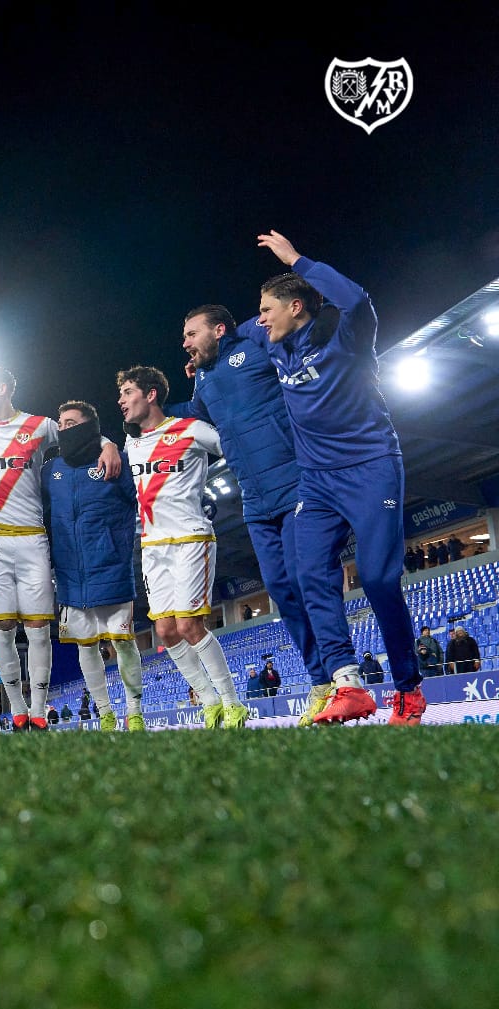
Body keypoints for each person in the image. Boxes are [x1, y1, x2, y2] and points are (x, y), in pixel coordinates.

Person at [255, 231, 425, 725]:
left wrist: (299, 261)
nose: (261, 318)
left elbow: (358, 300)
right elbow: (227, 337)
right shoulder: (273, 346)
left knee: (376, 578)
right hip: (316, 481)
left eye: (267, 308)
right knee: (306, 573)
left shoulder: (346, 338)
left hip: (371, 469)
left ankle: (408, 690)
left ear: (297, 307)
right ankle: (348, 684)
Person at [170, 303, 331, 725]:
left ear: (219, 329)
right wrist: (161, 416)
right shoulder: (203, 377)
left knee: (303, 578)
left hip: (296, 481)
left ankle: (341, 675)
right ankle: (322, 683)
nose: (184, 343)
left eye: (191, 333)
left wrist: (243, 331)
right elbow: (201, 414)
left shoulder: (254, 343)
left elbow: (293, 325)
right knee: (279, 589)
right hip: (254, 498)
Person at [0, 367, 122, 731]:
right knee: (4, 626)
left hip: (31, 537)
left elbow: (83, 435)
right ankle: (18, 709)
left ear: (4, 388)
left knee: (39, 627)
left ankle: (39, 712)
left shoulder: (40, 426)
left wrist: (109, 444)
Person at [117, 365, 249, 728]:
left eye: (128, 392)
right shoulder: (131, 443)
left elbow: (234, 448)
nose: (121, 401)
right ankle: (209, 702)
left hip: (191, 539)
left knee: (190, 625)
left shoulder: (190, 430)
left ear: (151, 394)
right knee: (165, 631)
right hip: (152, 545)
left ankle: (232, 701)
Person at [43, 400, 144, 732]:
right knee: (85, 645)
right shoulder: (51, 471)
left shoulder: (116, 463)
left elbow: (141, 503)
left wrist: (108, 444)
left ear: (89, 427)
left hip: (111, 566)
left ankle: (134, 711)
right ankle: (105, 713)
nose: (63, 428)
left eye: (71, 423)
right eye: (61, 423)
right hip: (70, 575)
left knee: (122, 641)